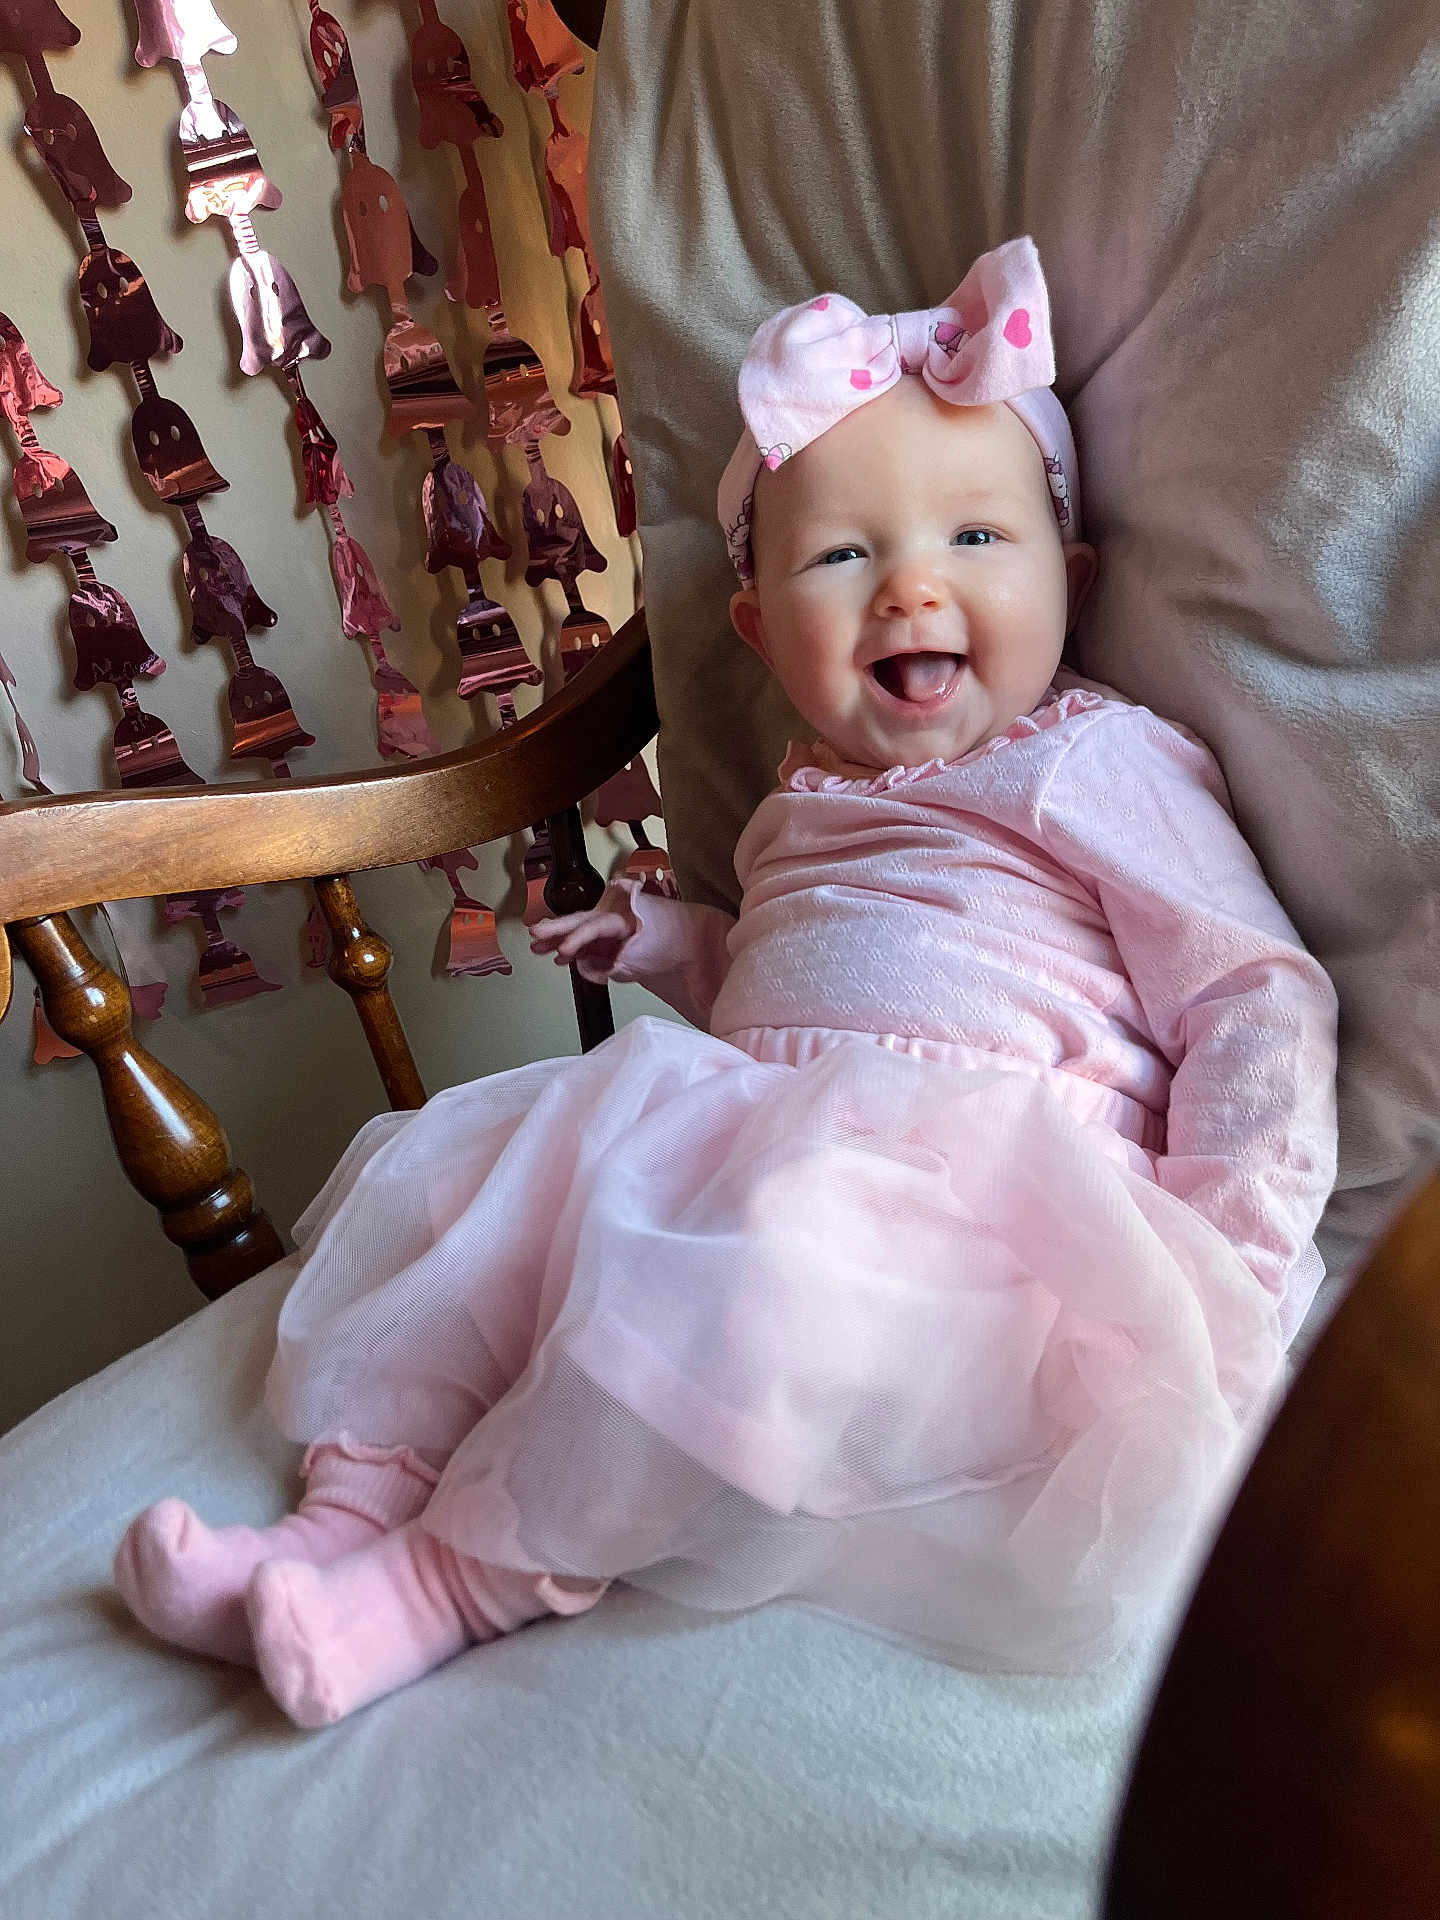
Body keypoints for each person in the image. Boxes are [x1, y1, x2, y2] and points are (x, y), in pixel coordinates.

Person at [114, 238, 1338, 1727]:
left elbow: (1252, 997)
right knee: (490, 1214)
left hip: (968, 1199)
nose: (909, 588)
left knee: (747, 1283)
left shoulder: (1095, 761)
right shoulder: (796, 801)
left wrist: (1231, 1263)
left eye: (975, 540)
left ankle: (441, 1586)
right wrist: (673, 948)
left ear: (1071, 585)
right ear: (761, 629)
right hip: (763, 1119)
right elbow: (793, 968)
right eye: (841, 556)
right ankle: (336, 1519)